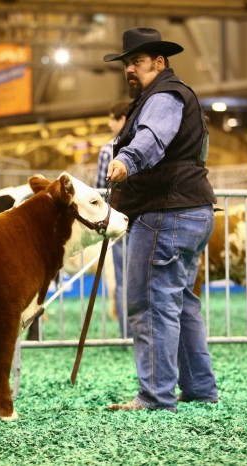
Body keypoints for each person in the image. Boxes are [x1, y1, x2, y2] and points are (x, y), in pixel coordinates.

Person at [103, 27, 218, 411]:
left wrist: (127, 160)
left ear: (159, 62)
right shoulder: (169, 93)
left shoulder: (164, 96)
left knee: (150, 302)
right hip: (192, 209)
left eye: (137, 62)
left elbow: (154, 135)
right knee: (180, 302)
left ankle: (155, 395)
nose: (130, 69)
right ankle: (199, 387)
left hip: (165, 213)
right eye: (127, 64)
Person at [95, 101, 130, 339]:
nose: (110, 123)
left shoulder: (109, 149)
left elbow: (100, 188)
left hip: (119, 219)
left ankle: (127, 333)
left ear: (123, 119)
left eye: (113, 118)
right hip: (146, 216)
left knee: (123, 277)